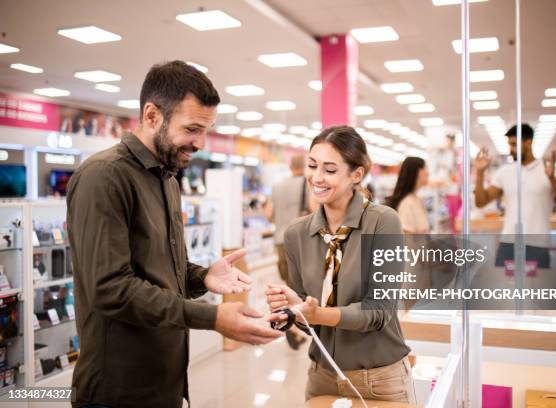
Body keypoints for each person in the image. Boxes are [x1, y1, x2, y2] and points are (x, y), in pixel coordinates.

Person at [67, 61, 282, 408]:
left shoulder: (167, 177)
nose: (200, 143)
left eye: (206, 130)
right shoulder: (103, 177)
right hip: (117, 390)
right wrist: (212, 318)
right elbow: (110, 289)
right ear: (152, 116)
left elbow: (160, 270)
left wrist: (201, 276)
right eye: (192, 129)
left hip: (163, 382)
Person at [265, 125, 416, 404]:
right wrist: (290, 311)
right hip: (322, 376)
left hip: (379, 379)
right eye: (312, 165)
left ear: (356, 175)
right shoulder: (297, 234)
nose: (316, 177)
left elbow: (379, 311)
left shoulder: (383, 222)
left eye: (330, 170)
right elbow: (309, 323)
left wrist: (318, 314)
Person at [474, 123, 556, 235]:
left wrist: (552, 179)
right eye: (509, 145)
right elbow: (481, 202)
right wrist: (480, 173)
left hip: (538, 243)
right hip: (509, 242)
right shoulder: (504, 172)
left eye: (514, 144)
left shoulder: (551, 171)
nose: (510, 150)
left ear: (528, 143)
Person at [264, 153, 311, 349]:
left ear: (290, 167)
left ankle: (293, 326)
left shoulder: (277, 187)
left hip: (281, 241)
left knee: (288, 286)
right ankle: (298, 326)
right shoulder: (310, 185)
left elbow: (268, 214)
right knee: (305, 288)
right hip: (303, 241)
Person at [387, 157, 430, 233]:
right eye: (425, 168)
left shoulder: (416, 199)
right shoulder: (407, 203)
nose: (428, 173)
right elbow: (408, 241)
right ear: (417, 172)